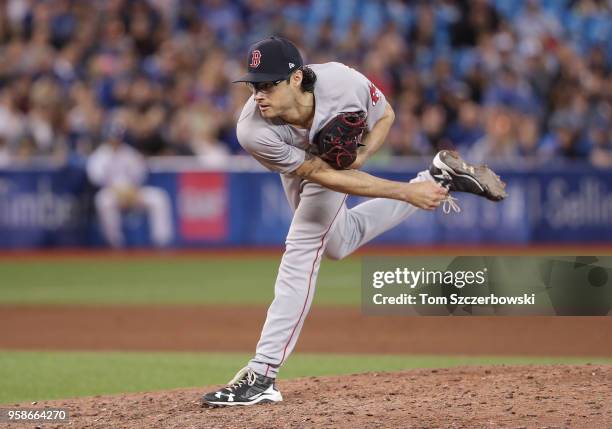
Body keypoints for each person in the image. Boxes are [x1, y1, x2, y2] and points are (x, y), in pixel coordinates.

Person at [201, 37, 506, 407]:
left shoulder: (343, 82)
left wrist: (362, 155)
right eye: (253, 84)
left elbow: (387, 115)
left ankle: (263, 372)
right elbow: (321, 174)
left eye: (267, 84)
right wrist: (405, 191)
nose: (258, 94)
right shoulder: (253, 130)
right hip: (307, 163)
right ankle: (437, 177)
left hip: (334, 160)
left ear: (296, 78)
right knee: (339, 243)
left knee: (302, 249)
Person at [86, 124, 173, 248]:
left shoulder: (129, 153)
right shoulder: (99, 156)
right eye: (112, 137)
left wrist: (132, 191)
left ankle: (162, 243)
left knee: (159, 198)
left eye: (117, 137)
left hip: (133, 192)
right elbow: (96, 179)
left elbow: (140, 175)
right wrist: (117, 191)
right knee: (103, 200)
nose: (115, 140)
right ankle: (115, 244)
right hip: (112, 192)